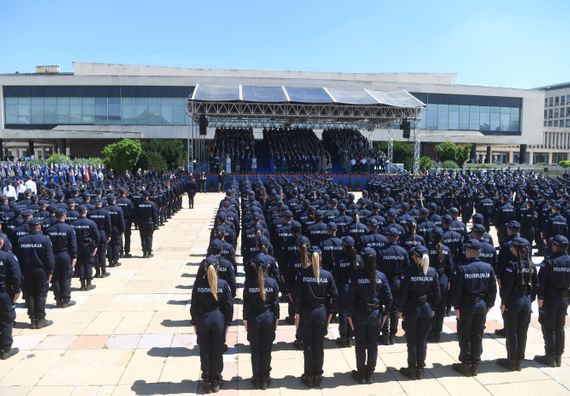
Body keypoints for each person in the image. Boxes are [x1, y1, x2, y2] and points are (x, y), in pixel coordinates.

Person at [449, 239, 497, 377]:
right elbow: (493, 289)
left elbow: (456, 290)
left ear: (469, 251)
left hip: (466, 306)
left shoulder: (462, 268)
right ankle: (475, 363)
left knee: (465, 334)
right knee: (477, 334)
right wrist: (489, 305)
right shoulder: (488, 268)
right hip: (481, 305)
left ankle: (465, 363)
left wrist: (456, 307)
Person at [294, 247, 338, 388]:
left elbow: (297, 297)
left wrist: (297, 313)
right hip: (321, 312)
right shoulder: (327, 275)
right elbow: (334, 296)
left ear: (307, 257)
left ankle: (308, 375)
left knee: (308, 346)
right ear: (321, 257)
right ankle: (317, 375)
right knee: (319, 346)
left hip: (307, 312)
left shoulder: (302, 275)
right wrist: (330, 311)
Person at [347, 248, 392, 384]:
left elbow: (350, 297)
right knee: (373, 345)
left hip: (360, 315)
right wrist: (386, 313)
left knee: (360, 345)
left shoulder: (355, 276)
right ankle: (370, 374)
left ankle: (361, 374)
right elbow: (389, 297)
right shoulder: (381, 276)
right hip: (375, 315)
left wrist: (349, 315)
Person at [190, 256, 234, 394]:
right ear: (218, 268)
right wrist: (228, 322)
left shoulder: (198, 284)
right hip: (218, 320)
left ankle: (207, 379)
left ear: (204, 268)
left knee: (205, 350)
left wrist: (194, 322)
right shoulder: (223, 284)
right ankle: (216, 379)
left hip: (203, 320)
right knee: (217, 350)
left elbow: (194, 305)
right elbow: (229, 306)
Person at [399, 245, 441, 380]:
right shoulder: (432, 271)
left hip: (412, 309)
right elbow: (437, 294)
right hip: (426, 309)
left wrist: (401, 309)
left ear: (418, 258)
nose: (412, 257)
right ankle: (420, 369)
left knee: (411, 341)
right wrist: (433, 308)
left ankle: (412, 368)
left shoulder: (409, 272)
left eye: (414, 256)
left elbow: (403, 293)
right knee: (422, 340)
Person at [497, 237, 538, 371]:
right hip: (526, 301)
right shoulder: (531, 265)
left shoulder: (512, 265)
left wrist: (503, 302)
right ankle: (519, 360)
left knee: (512, 332)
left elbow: (506, 287)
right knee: (522, 332)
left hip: (514, 301)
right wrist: (530, 298)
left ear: (516, 249)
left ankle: (512, 360)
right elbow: (536, 286)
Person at [243, 257, 280, 389]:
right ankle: (265, 378)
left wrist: (245, 320)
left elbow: (246, 304)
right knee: (266, 350)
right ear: (267, 267)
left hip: (254, 319)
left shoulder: (249, 283)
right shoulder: (273, 283)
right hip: (268, 319)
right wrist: (276, 322)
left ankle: (257, 377)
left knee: (255, 350)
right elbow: (276, 305)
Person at [534, 235, 570, 367]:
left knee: (549, 327)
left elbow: (540, 281)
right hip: (564, 298)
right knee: (559, 326)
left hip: (550, 299)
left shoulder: (549, 261)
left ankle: (550, 356)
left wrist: (540, 297)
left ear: (557, 246)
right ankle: (558, 356)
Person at [16, 218, 55, 329]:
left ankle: (33, 319)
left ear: (29, 227)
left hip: (26, 271)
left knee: (30, 295)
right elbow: (49, 258)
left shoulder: (21, 240)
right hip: (40, 271)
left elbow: (18, 258)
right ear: (39, 227)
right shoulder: (44, 240)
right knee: (41, 295)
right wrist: (51, 271)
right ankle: (40, 318)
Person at [45, 208, 78, 308]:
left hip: (53, 256)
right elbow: (73, 245)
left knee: (55, 278)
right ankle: (66, 299)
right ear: (64, 216)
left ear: (55, 216)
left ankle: (58, 299)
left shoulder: (49, 229)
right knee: (66, 278)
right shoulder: (69, 228)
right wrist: (74, 256)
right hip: (65, 255)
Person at [0, 238, 21, 360]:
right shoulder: (7, 257)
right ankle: (6, 349)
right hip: (4, 293)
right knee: (7, 320)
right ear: (1, 243)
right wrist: (17, 290)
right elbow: (16, 275)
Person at [72, 205, 99, 291]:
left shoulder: (74, 223)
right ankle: (88, 283)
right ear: (86, 211)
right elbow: (96, 236)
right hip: (88, 246)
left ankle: (82, 284)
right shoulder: (91, 223)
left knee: (80, 265)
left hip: (78, 246)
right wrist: (96, 246)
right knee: (88, 264)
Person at [135, 190, 158, 258]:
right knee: (149, 237)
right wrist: (156, 223)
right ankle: (149, 251)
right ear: (148, 196)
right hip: (150, 223)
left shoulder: (139, 204)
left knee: (143, 237)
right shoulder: (152, 204)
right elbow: (155, 215)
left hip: (142, 223)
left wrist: (137, 223)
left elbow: (137, 215)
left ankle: (144, 252)